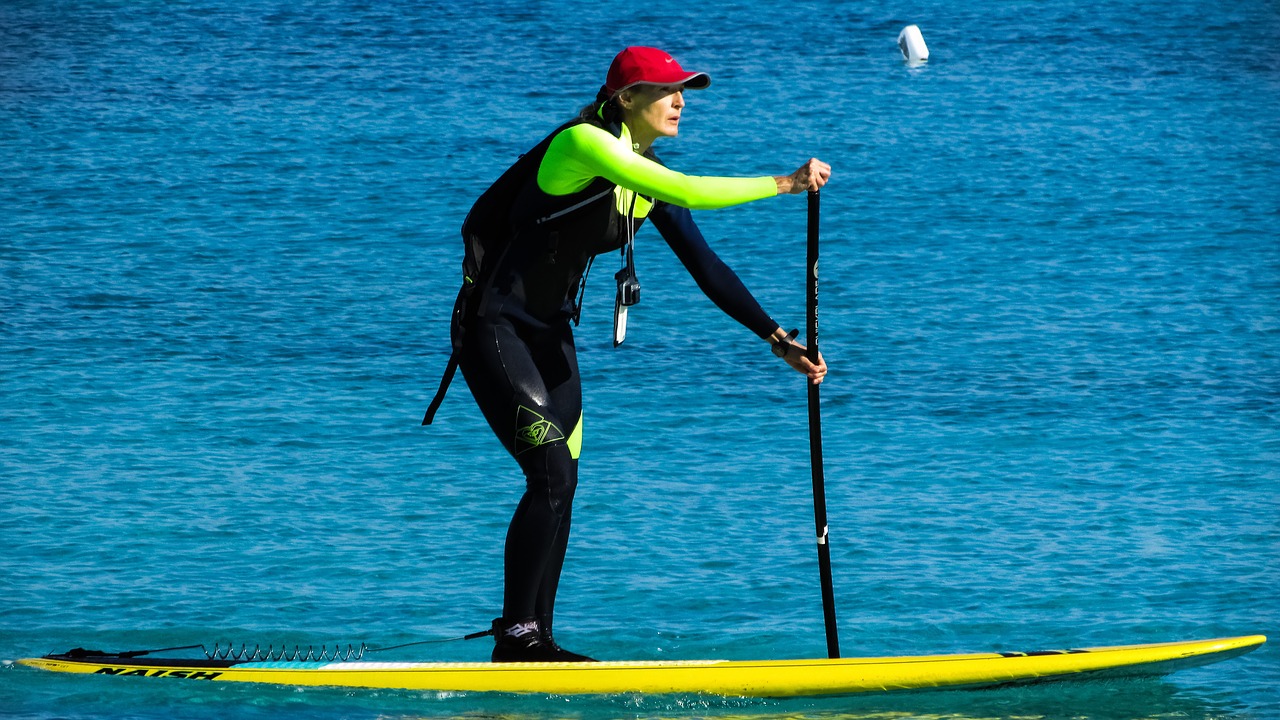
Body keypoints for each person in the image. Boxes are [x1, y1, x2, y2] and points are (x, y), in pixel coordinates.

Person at [454, 46, 830, 662]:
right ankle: (517, 637)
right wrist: (785, 183)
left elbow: (707, 267)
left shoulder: (643, 176)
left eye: (684, 91)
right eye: (666, 90)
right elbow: (690, 189)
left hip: (550, 336)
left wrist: (778, 339)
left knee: (564, 481)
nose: (680, 101)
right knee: (550, 473)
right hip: (495, 329)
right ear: (626, 99)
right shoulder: (582, 144)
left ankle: (536, 640)